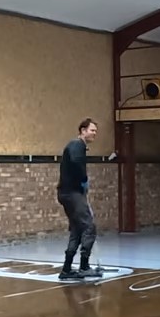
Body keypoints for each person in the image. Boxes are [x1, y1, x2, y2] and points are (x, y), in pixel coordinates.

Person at [57, 118, 102, 281]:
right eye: (92, 130)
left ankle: (67, 269)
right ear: (83, 130)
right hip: (72, 193)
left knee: (77, 228)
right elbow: (76, 163)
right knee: (89, 227)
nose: (94, 133)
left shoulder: (76, 146)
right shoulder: (77, 145)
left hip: (67, 193)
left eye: (96, 131)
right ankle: (84, 266)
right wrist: (83, 180)